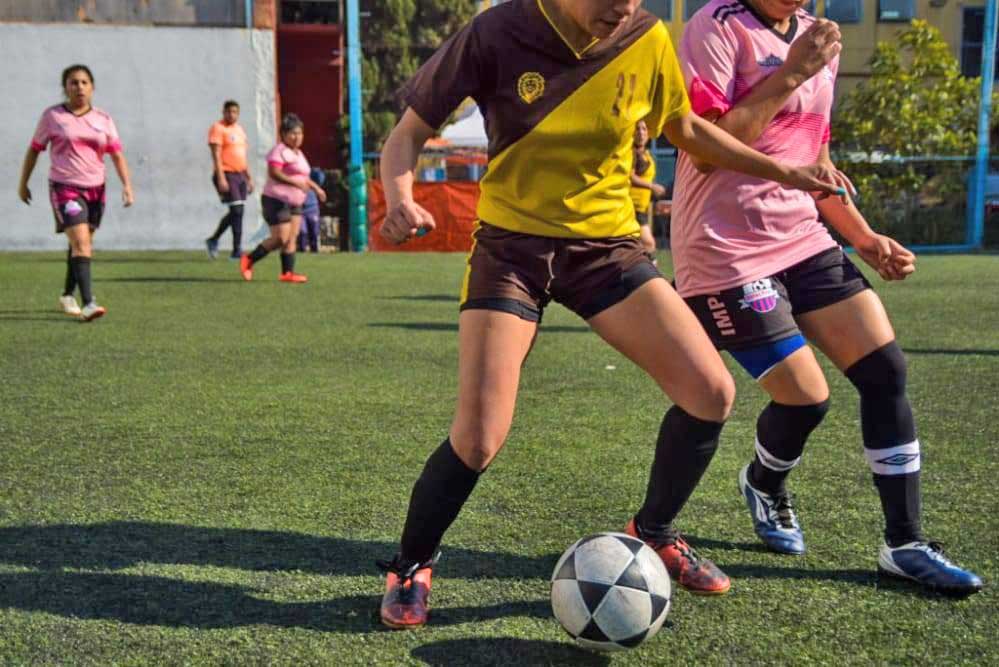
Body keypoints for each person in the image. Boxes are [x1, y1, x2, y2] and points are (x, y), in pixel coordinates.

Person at [374, 0, 845, 629]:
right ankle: (410, 565)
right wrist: (400, 196)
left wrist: (784, 171)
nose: (623, 7)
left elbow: (692, 132)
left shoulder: (647, 36)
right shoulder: (497, 30)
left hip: (606, 253)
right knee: (480, 435)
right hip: (512, 251)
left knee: (710, 392)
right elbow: (407, 133)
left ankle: (653, 530)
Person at [671, 0, 981, 594]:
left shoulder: (818, 35)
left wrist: (862, 237)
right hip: (726, 250)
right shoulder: (716, 24)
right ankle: (764, 482)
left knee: (886, 371)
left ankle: (905, 542)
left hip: (802, 236)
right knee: (806, 401)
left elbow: (814, 157)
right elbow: (706, 146)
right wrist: (789, 72)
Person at [17, 64, 134, 322]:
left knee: (82, 244)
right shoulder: (53, 117)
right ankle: (89, 302)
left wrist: (127, 185)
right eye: (73, 82)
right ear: (65, 88)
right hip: (65, 187)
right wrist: (22, 182)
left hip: (96, 187)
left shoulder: (103, 119)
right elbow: (35, 149)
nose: (79, 87)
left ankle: (67, 294)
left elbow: (116, 154)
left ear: (92, 87)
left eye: (84, 82)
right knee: (81, 243)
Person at [239, 113, 326, 283]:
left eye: (300, 133)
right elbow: (275, 173)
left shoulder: (298, 154)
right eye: (292, 133)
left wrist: (316, 189)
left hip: (296, 202)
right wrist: (294, 183)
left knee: (292, 237)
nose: (297, 137)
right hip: (276, 199)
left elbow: (303, 177)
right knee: (281, 238)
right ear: (283, 134)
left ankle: (287, 273)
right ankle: (249, 260)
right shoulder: (279, 151)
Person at [206, 100, 254, 260]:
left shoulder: (239, 130)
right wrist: (220, 177)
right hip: (226, 173)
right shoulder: (218, 128)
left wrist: (249, 178)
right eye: (229, 112)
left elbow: (242, 155)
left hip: (240, 174)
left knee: (237, 212)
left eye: (235, 112)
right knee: (237, 211)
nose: (232, 115)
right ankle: (236, 251)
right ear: (223, 112)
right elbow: (216, 154)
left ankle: (213, 240)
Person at [630, 119, 666, 258]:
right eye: (637, 129)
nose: (641, 132)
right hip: (631, 207)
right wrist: (653, 186)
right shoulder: (631, 152)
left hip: (642, 208)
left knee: (638, 247)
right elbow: (630, 176)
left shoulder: (645, 153)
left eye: (644, 129)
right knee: (649, 244)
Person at [297, 167, 325, 253]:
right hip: (300, 210)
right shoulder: (296, 179)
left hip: (312, 209)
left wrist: (316, 171)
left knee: (314, 232)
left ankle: (314, 251)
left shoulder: (313, 177)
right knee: (302, 232)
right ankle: (302, 251)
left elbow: (320, 178)